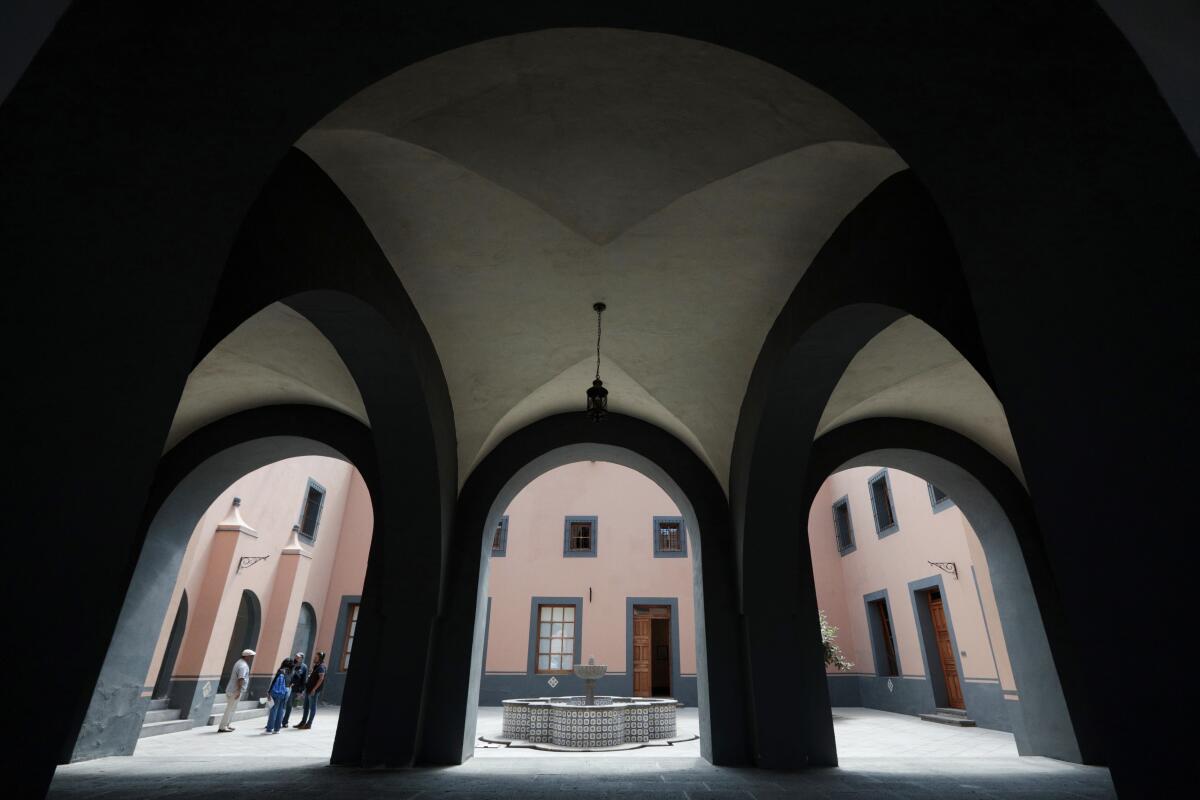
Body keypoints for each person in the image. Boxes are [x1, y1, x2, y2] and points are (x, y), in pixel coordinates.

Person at [217, 648, 254, 732]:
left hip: (233, 689)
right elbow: (240, 679)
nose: (252, 658)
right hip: (235, 690)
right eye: (251, 656)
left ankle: (227, 725)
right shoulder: (243, 665)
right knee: (229, 709)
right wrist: (238, 690)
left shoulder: (239, 662)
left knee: (232, 708)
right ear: (247, 656)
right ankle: (222, 727)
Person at [295, 651, 326, 730]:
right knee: (306, 707)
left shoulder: (321, 667)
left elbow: (321, 678)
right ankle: (303, 722)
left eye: (316, 657)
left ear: (320, 658)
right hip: (309, 689)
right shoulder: (316, 666)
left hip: (313, 691)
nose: (314, 658)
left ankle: (309, 724)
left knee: (312, 707)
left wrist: (314, 689)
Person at [263, 657, 293, 734]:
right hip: (286, 691)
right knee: (281, 709)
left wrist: (269, 691)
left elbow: (275, 681)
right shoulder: (292, 672)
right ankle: (277, 729)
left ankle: (269, 729)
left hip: (277, 691)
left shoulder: (281, 671)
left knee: (273, 709)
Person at [282, 652, 307, 728]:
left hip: (294, 689)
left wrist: (301, 691)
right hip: (285, 686)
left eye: (298, 657)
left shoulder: (304, 667)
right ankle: (277, 719)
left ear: (302, 658)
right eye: (296, 656)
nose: (296, 658)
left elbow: (304, 680)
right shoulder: (291, 663)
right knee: (281, 704)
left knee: (289, 705)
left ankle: (285, 722)